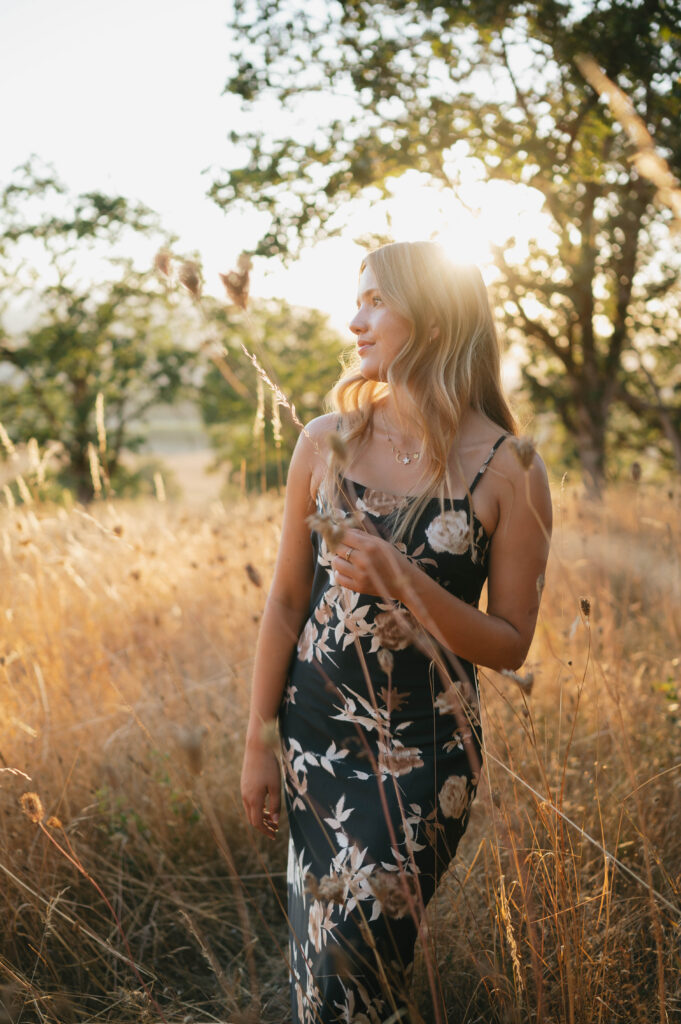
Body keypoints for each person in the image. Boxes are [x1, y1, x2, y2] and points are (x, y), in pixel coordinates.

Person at [241, 241, 552, 1023]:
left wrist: (405, 581)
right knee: (322, 965)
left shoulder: (510, 467)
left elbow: (511, 642)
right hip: (313, 736)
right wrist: (256, 736)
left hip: (425, 751)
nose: (355, 321)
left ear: (438, 317)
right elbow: (284, 600)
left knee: (357, 954)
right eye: (358, 300)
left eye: (375, 301)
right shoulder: (325, 440)